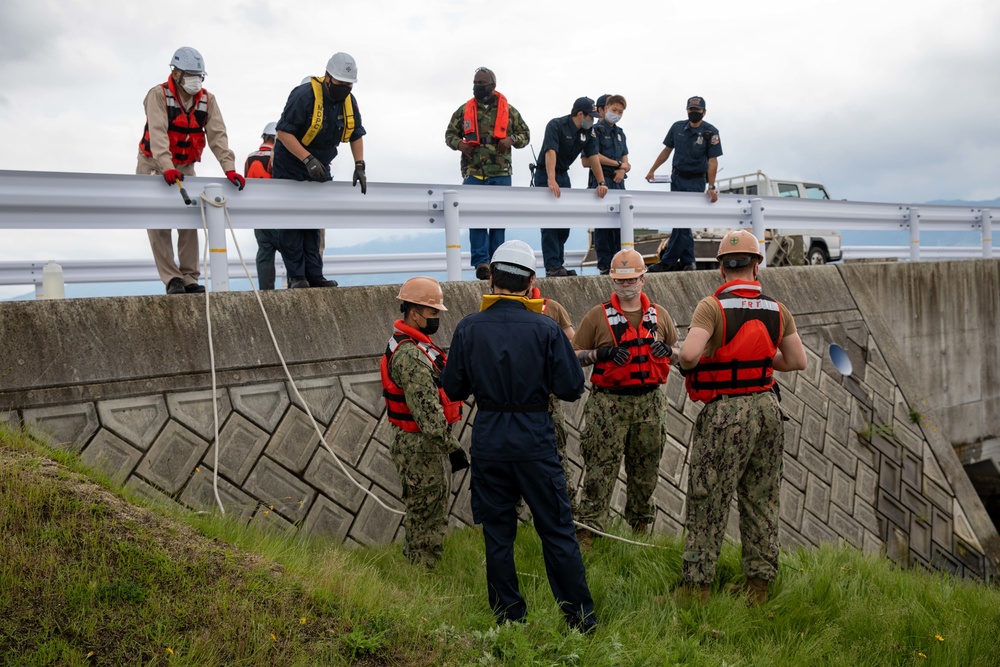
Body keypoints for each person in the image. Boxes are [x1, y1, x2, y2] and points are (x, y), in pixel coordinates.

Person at [441, 240, 597, 632]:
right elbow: (571, 388)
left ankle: (509, 618)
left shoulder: (467, 328)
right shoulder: (546, 328)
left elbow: (454, 388)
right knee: (557, 529)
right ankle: (579, 621)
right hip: (534, 436)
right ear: (531, 282)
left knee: (497, 532)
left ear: (492, 278)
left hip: (490, 436)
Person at [677, 230, 807, 604]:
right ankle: (758, 587)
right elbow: (797, 361)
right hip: (767, 409)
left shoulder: (711, 307)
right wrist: (761, 363)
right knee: (762, 498)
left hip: (726, 413)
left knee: (708, 497)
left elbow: (688, 356)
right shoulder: (777, 309)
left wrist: (702, 359)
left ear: (720, 268)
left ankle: (697, 588)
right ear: (756, 265)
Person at [573, 249, 678, 548]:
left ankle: (640, 537)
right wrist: (600, 354)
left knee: (646, 473)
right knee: (598, 472)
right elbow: (572, 355)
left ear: (643, 279)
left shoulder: (660, 315)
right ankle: (588, 539)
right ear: (612, 280)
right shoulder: (596, 316)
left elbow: (684, 356)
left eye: (632, 278)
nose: (627, 284)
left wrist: (668, 352)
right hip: (608, 405)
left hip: (650, 404)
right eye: (621, 279)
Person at [138, 47, 245, 295]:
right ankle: (171, 278)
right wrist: (166, 166)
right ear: (175, 73)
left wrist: (229, 169)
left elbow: (218, 135)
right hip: (153, 164)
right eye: (190, 74)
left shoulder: (208, 100)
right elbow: (158, 133)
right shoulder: (158, 95)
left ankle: (189, 276)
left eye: (199, 75)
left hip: (185, 166)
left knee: (189, 220)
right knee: (158, 224)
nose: (195, 80)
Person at [380, 277, 469, 569]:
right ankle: (423, 574)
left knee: (423, 511)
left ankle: (417, 570)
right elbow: (429, 416)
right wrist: (454, 448)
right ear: (414, 313)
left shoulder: (413, 345)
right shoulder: (411, 356)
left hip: (422, 445)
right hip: (422, 448)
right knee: (428, 517)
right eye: (432, 314)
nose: (437, 319)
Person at [272, 52, 368, 289]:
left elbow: (356, 134)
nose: (344, 88)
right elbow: (284, 132)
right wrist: (306, 159)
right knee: (293, 221)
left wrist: (359, 165)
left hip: (320, 164)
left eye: (349, 84)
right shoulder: (303, 96)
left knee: (314, 219)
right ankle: (296, 276)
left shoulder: (349, 101)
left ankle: (314, 274)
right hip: (292, 164)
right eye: (340, 83)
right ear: (327, 77)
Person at [445, 67, 530, 280]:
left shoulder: (509, 111)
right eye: (475, 82)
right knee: (476, 219)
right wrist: (460, 145)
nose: (477, 86)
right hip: (473, 171)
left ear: (492, 86)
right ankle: (481, 263)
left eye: (481, 83)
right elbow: (449, 135)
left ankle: (498, 262)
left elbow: (525, 134)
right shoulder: (464, 110)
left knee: (498, 218)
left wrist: (511, 140)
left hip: (500, 171)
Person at [644, 96, 722, 272]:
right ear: (687, 110)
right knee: (679, 220)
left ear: (704, 112)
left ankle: (667, 261)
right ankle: (688, 261)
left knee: (683, 221)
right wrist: (652, 170)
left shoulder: (711, 132)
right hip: (677, 178)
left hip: (696, 180)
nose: (694, 113)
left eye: (697, 110)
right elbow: (666, 151)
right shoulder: (677, 127)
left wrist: (711, 186)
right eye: (691, 110)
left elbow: (712, 161)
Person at [533, 97, 608, 277]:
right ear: (580, 114)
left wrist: (601, 182)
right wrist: (551, 179)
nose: (593, 120)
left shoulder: (588, 132)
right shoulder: (556, 125)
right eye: (591, 116)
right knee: (550, 223)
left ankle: (559, 263)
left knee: (564, 222)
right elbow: (551, 151)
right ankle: (552, 266)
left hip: (563, 175)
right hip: (546, 173)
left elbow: (593, 157)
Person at [588, 95, 631, 275]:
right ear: (605, 109)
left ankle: (618, 261)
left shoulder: (620, 133)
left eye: (620, 112)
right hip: (601, 180)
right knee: (602, 226)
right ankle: (604, 263)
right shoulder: (595, 130)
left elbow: (626, 161)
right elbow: (594, 156)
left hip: (618, 182)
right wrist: (618, 165)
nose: (617, 114)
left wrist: (622, 169)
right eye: (614, 110)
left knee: (619, 224)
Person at [244, 122, 285, 290]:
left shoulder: (250, 157)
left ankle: (265, 294)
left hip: (257, 215)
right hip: (277, 214)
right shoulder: (277, 156)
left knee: (264, 254)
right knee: (291, 252)